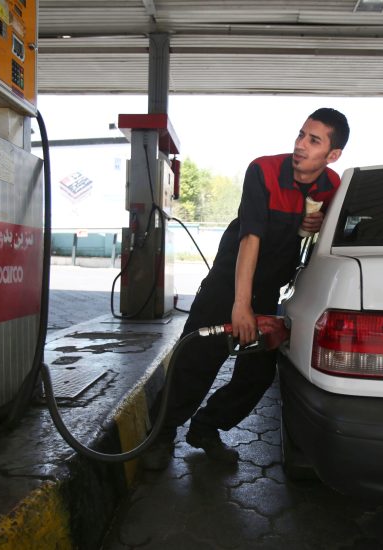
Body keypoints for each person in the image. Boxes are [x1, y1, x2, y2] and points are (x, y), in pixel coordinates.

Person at [141, 108, 350, 469]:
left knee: (257, 375)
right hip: (228, 284)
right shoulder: (264, 170)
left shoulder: (333, 187)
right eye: (301, 134)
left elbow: (327, 235)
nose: (300, 145)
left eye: (313, 140)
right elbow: (251, 238)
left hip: (268, 291)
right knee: (196, 363)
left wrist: (316, 222)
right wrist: (240, 305)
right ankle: (159, 437)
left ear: (332, 155)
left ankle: (206, 428)